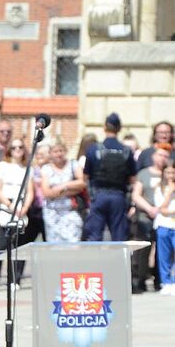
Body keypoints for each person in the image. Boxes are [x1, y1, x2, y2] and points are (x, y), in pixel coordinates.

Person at [82, 113, 137, 241]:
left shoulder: (93, 149)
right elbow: (133, 179)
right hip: (119, 197)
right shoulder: (126, 151)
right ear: (119, 128)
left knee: (94, 237)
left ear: (105, 127)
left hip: (98, 196)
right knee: (119, 237)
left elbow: (85, 177)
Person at [0, 137, 34, 287]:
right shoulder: (2, 166)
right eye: (14, 147)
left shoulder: (28, 168)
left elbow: (30, 191)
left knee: (19, 247)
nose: (17, 150)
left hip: (21, 208)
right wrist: (10, 206)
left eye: (20, 147)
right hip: (7, 207)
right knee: (1, 246)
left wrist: (25, 208)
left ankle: (15, 280)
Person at [132, 144, 170, 292]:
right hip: (146, 215)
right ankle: (139, 279)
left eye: (166, 156)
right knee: (143, 249)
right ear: (153, 156)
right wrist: (149, 208)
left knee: (163, 250)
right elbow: (136, 195)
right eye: (160, 155)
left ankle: (160, 280)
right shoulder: (144, 173)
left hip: (165, 217)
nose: (162, 158)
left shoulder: (169, 174)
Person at [40, 138, 86, 243]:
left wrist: (62, 187)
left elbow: (82, 183)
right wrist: (72, 189)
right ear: (50, 153)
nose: (59, 154)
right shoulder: (46, 169)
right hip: (52, 214)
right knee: (54, 246)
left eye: (61, 150)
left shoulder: (73, 164)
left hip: (71, 212)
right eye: (55, 151)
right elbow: (47, 193)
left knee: (73, 243)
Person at [153, 164, 175, 295]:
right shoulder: (159, 188)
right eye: (168, 172)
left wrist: (168, 211)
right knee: (164, 255)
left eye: (173, 172)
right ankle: (166, 282)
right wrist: (170, 192)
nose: (170, 176)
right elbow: (161, 208)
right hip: (163, 225)